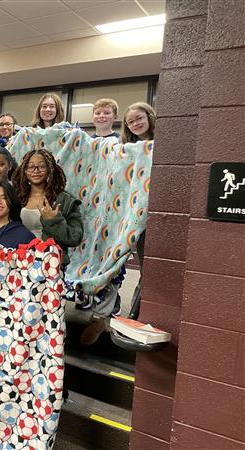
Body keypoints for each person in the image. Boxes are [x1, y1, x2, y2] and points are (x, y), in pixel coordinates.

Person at [12, 148, 83, 266]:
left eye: (42, 166)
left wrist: (53, 221)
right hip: (19, 262)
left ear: (50, 170)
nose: (36, 171)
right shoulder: (15, 198)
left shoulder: (65, 200)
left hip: (51, 264)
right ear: (24, 170)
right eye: (30, 167)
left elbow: (75, 237)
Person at [121, 101, 156, 322]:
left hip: (154, 214)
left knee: (149, 268)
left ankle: (136, 314)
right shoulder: (128, 149)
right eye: (130, 122)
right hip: (133, 214)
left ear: (150, 116)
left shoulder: (162, 144)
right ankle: (134, 314)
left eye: (139, 118)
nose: (135, 124)